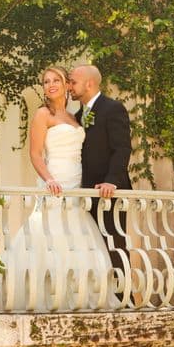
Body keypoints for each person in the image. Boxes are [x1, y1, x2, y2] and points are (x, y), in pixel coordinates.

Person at [0, 66, 117, 312]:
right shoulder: (43, 114)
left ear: (66, 85)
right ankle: (47, 298)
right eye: (46, 81)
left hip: (77, 183)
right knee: (49, 236)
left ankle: (77, 296)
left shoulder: (77, 117)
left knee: (76, 238)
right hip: (55, 181)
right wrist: (49, 179)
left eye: (56, 80)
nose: (51, 84)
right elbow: (35, 154)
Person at [68, 64, 132, 281]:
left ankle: (125, 299)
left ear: (89, 83)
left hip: (109, 193)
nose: (69, 87)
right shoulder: (76, 116)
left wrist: (111, 182)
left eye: (73, 82)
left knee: (113, 245)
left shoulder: (112, 109)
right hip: (85, 194)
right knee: (89, 246)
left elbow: (121, 148)